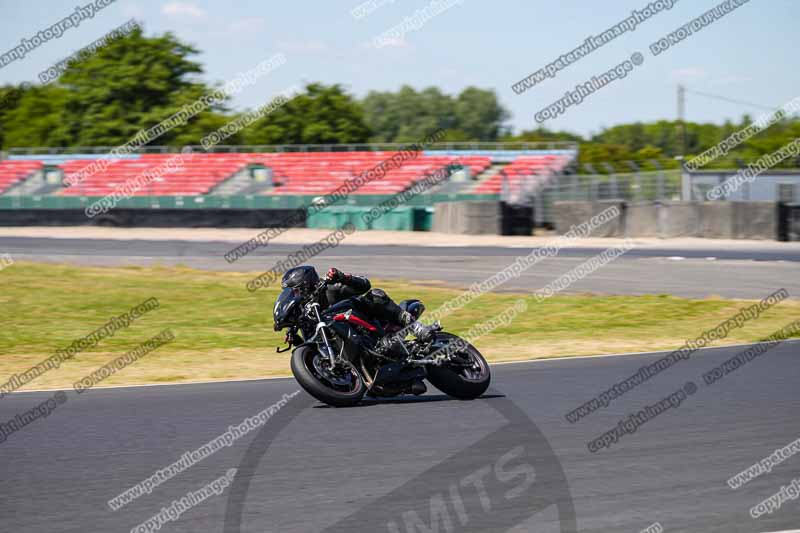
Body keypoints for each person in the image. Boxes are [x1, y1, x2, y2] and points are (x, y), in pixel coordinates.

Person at [322, 267, 435, 352]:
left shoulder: (327, 288)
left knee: (374, 295)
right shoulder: (306, 320)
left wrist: (344, 278)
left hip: (370, 324)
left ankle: (416, 328)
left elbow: (365, 285)